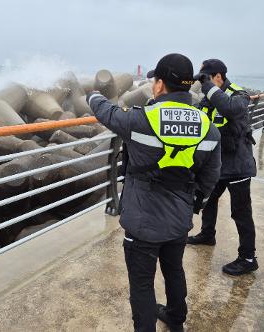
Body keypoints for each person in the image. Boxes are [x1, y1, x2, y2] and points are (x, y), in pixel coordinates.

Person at [86, 53, 221, 332]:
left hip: (142, 221)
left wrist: (92, 96)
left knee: (143, 285)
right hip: (179, 217)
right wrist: (195, 204)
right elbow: (211, 176)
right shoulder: (208, 128)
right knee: (174, 270)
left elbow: (106, 112)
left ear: (159, 85)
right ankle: (176, 319)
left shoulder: (141, 119)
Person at [187, 59, 259, 276]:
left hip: (238, 164)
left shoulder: (238, 94)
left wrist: (209, 87)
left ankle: (248, 257)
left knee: (241, 212)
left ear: (218, 76)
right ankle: (207, 235)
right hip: (217, 163)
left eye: (207, 79)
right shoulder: (209, 98)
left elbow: (230, 109)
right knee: (207, 201)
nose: (203, 84)